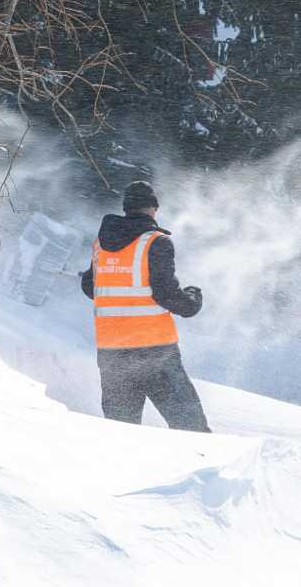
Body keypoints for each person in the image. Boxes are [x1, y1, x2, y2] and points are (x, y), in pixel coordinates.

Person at [79, 180, 210, 431]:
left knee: (123, 433)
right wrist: (192, 301)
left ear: (127, 208)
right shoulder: (155, 242)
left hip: (112, 352)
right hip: (154, 351)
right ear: (153, 209)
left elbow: (90, 287)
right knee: (192, 430)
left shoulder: (101, 244)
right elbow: (165, 293)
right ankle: (205, 469)